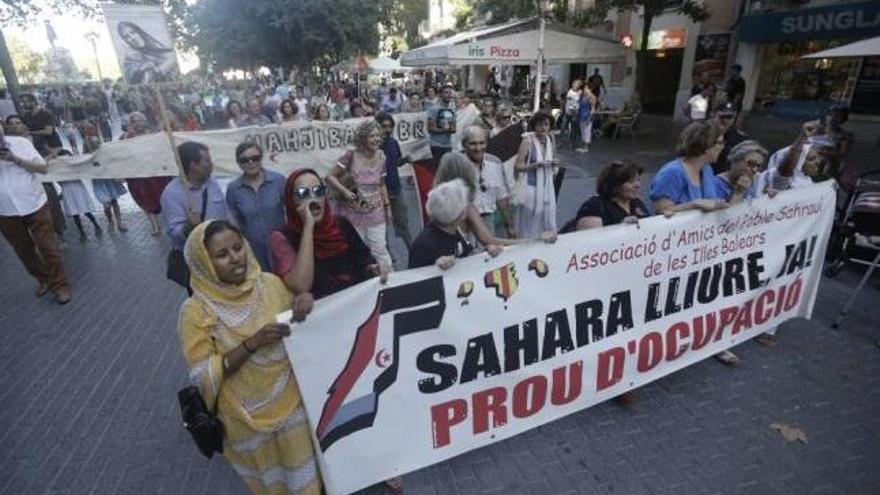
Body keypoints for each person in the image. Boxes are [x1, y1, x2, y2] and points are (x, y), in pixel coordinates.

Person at [177, 220, 321, 495]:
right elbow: (202, 375)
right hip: (244, 421)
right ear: (203, 263)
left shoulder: (270, 284)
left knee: (306, 485)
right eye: (221, 255)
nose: (235, 258)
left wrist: (302, 305)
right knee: (272, 486)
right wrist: (252, 344)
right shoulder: (195, 311)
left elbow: (292, 325)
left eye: (237, 247)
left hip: (292, 405)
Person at [649, 121, 738, 366]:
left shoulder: (707, 171)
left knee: (704, 294)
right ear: (705, 146)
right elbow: (660, 214)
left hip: (701, 247)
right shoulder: (672, 172)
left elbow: (712, 202)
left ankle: (711, 342)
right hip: (673, 250)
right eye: (719, 143)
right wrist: (695, 205)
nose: (723, 148)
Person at [270, 168, 388, 300]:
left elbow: (362, 263)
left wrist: (373, 269)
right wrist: (308, 226)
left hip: (355, 305)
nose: (313, 199)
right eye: (303, 194)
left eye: (318, 191)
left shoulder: (340, 224)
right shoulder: (282, 237)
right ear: (291, 200)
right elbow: (301, 286)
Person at [0, 125, 71, 304]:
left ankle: (60, 285)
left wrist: (15, 159)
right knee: (24, 251)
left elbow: (43, 169)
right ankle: (43, 279)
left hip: (35, 203)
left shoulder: (21, 143)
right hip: (5, 211)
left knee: (48, 247)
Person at [325, 120, 393, 267]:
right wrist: (345, 191)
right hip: (353, 210)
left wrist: (388, 207)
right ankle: (366, 282)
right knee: (359, 249)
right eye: (371, 136)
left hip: (375, 210)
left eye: (377, 136)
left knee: (380, 248)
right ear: (363, 138)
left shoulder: (382, 156)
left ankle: (389, 281)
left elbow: (381, 183)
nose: (375, 139)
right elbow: (329, 176)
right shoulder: (351, 155)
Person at [226, 143, 286, 272]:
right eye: (245, 160)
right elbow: (234, 221)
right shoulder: (233, 189)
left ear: (261, 158)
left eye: (255, 158)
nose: (251, 162)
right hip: (254, 252)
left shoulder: (278, 181)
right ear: (238, 163)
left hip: (282, 247)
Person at [160, 141, 229, 251]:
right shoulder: (171, 194)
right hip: (194, 257)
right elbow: (175, 234)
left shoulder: (212, 183)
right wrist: (187, 227)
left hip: (220, 251)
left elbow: (225, 215)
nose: (211, 165)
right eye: (207, 162)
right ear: (193, 165)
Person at [562, 160, 650, 232]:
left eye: (638, 180)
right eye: (630, 182)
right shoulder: (595, 206)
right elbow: (590, 242)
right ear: (615, 185)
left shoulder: (637, 203)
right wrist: (619, 228)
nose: (637, 185)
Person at [122, 112, 172, 236]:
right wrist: (129, 134)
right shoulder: (126, 137)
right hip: (138, 176)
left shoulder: (153, 135)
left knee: (163, 198)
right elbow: (121, 151)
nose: (138, 124)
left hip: (155, 174)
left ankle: (169, 222)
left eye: (140, 120)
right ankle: (155, 226)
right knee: (144, 201)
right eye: (134, 121)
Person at [462, 125, 515, 237]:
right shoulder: (456, 165)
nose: (478, 148)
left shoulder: (495, 163)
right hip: (464, 223)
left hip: (488, 222)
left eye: (482, 143)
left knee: (488, 253)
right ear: (464, 144)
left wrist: (509, 225)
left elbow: (502, 197)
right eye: (473, 143)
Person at [409, 179, 473, 269]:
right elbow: (414, 278)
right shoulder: (425, 245)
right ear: (461, 214)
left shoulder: (453, 231)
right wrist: (435, 267)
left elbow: (467, 254)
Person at [513, 111, 559, 238]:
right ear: (534, 126)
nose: (543, 128)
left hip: (547, 188)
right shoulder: (527, 141)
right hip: (530, 188)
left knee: (545, 219)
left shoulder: (550, 139)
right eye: (539, 125)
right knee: (529, 221)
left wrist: (555, 163)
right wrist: (534, 166)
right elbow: (518, 165)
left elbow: (554, 158)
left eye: (546, 124)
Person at [375, 113, 413, 252]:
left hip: (396, 190)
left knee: (403, 224)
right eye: (383, 126)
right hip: (378, 194)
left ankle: (414, 253)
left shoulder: (393, 143)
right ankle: (388, 261)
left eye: (390, 126)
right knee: (381, 230)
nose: (387, 129)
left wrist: (404, 160)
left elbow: (395, 162)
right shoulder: (372, 147)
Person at [711, 102, 748, 173]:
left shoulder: (740, 139)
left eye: (729, 117)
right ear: (713, 115)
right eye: (722, 117)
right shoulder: (702, 133)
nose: (725, 120)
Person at [427, 85, 457, 162]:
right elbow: (430, 128)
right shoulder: (434, 109)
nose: (449, 95)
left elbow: (454, 128)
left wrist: (452, 128)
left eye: (450, 93)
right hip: (436, 145)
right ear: (440, 95)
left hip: (448, 145)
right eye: (446, 93)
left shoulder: (452, 109)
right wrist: (445, 130)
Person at [561, 79, 583, 148]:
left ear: (579, 85)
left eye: (577, 84)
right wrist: (562, 108)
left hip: (574, 112)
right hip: (567, 111)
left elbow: (580, 101)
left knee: (573, 128)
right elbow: (566, 101)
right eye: (574, 83)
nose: (574, 85)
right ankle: (562, 142)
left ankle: (572, 143)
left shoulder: (580, 92)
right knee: (563, 127)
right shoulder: (569, 91)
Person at [576, 86, 598, 153]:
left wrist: (590, 117)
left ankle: (586, 147)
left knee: (587, 131)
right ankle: (583, 146)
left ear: (590, 89)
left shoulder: (591, 97)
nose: (585, 90)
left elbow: (593, 108)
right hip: (582, 115)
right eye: (584, 89)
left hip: (587, 115)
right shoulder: (583, 97)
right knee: (583, 131)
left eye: (586, 89)